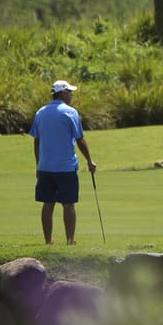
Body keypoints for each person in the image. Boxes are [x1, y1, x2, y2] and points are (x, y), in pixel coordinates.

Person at [29, 79, 97, 245]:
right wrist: (89, 160)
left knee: (48, 203)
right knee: (68, 204)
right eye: (70, 92)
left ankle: (48, 241)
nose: (72, 95)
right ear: (63, 93)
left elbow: (36, 141)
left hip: (45, 167)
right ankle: (70, 239)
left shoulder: (41, 112)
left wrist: (38, 164)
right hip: (65, 167)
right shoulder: (70, 112)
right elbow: (80, 139)